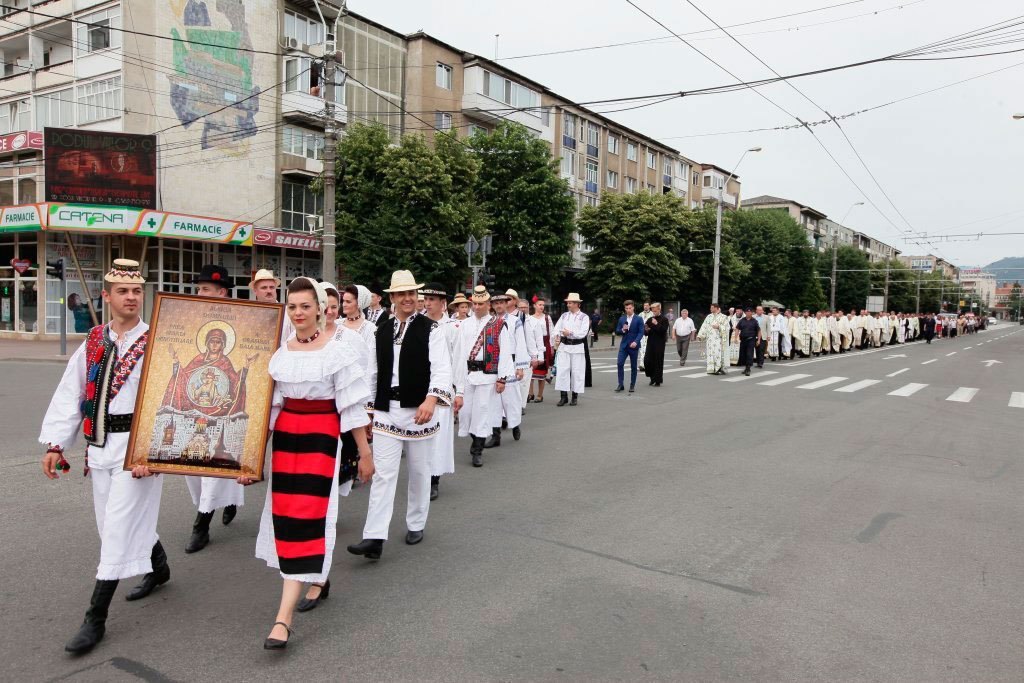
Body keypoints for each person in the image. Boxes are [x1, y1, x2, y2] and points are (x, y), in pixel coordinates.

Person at [39, 259, 167, 655]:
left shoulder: (157, 340)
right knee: (110, 522)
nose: (131, 298)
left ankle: (95, 617)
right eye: (123, 292)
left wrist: (153, 452)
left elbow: (168, 402)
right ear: (107, 296)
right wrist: (57, 443)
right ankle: (159, 566)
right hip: (100, 446)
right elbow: (70, 390)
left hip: (137, 450)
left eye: (136, 291)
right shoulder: (95, 340)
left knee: (116, 527)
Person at [248, 277, 373, 650]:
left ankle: (282, 619)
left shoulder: (337, 351)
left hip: (321, 439)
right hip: (286, 441)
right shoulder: (281, 353)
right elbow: (269, 411)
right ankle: (317, 576)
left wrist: (365, 454)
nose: (299, 313)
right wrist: (250, 460)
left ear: (320, 308)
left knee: (308, 517)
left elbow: (351, 408)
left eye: (306, 306)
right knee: (286, 518)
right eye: (293, 307)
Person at [348, 270, 451, 561]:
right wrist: (368, 410)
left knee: (419, 472)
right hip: (386, 412)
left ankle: (416, 522)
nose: (408, 298)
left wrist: (431, 400)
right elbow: (372, 372)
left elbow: (442, 369)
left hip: (419, 411)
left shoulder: (432, 329)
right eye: (402, 294)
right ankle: (374, 536)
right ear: (392, 297)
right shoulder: (380, 330)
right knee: (383, 475)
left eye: (412, 293)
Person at [181, 264, 245, 554]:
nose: (200, 294)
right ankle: (225, 501)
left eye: (205, 289)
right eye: (199, 289)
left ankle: (201, 525)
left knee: (212, 465)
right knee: (191, 464)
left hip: (220, 413)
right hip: (193, 411)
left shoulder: (241, 322)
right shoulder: (194, 320)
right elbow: (188, 369)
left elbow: (234, 377)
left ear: (222, 292)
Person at [453, 286, 514, 467]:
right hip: (468, 374)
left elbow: (505, 351)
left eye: (481, 304)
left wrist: (502, 378)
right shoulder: (465, 324)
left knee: (482, 412)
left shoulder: (498, 324)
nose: (477, 307)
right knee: (466, 414)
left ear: (489, 304)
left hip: (488, 376)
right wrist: (456, 379)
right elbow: (459, 353)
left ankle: (477, 450)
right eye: (475, 304)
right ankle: (475, 439)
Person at [420, 283, 457, 502]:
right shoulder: (419, 324)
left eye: (432, 300)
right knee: (422, 434)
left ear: (443, 304)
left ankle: (434, 479)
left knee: (438, 436)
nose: (428, 303)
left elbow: (457, 359)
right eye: (426, 299)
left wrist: (458, 390)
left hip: (443, 388)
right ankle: (422, 476)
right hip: (421, 386)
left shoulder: (451, 327)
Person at [486, 292, 527, 447]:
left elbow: (521, 343)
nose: (499, 306)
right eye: (495, 303)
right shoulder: (489, 321)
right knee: (494, 401)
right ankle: (496, 436)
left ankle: (515, 424)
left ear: (506, 304)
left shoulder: (515, 321)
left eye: (501, 303)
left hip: (510, 362)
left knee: (511, 400)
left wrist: (520, 367)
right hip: (493, 364)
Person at [553, 293, 592, 406]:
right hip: (564, 346)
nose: (568, 305)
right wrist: (557, 336)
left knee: (577, 371)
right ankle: (563, 396)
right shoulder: (564, 315)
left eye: (570, 303)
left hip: (577, 347)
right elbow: (557, 328)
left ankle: (575, 396)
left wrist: (570, 333)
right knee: (562, 371)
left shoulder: (584, 317)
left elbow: (583, 333)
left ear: (577, 304)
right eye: (568, 303)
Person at [615, 299, 645, 393]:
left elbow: (641, 332)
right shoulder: (622, 319)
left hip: (633, 346)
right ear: (625, 308)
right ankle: (621, 384)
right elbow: (617, 331)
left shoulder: (639, 319)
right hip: (624, 345)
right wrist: (623, 330)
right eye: (626, 308)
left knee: (633, 366)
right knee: (619, 363)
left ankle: (632, 385)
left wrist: (636, 342)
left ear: (633, 308)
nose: (628, 310)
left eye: (630, 308)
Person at [529, 298, 554, 403]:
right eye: (539, 304)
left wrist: (552, 347)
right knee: (530, 372)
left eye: (543, 305)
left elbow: (552, 333)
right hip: (532, 344)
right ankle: (530, 393)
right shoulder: (529, 318)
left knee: (542, 373)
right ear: (534, 305)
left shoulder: (547, 318)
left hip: (544, 344)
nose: (542, 307)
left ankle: (540, 395)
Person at [697, 303, 730, 375]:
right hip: (709, 340)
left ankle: (718, 369)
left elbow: (727, 328)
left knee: (717, 354)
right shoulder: (709, 316)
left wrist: (719, 327)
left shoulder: (724, 317)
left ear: (716, 308)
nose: (710, 309)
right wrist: (700, 335)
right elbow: (704, 326)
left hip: (719, 340)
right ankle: (711, 369)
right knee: (710, 354)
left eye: (712, 308)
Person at [643, 302, 668, 386]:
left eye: (655, 311)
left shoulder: (664, 319)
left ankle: (657, 380)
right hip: (650, 343)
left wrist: (656, 324)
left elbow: (663, 331)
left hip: (659, 344)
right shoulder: (650, 319)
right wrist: (646, 330)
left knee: (657, 362)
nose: (654, 313)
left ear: (659, 309)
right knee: (647, 360)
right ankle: (651, 377)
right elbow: (645, 332)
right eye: (653, 311)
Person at [736, 307, 761, 376]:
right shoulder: (742, 320)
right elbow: (737, 328)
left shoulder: (754, 321)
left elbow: (759, 331)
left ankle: (748, 369)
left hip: (751, 340)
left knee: (749, 354)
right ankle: (746, 367)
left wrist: (758, 340)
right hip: (743, 340)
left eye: (750, 312)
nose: (748, 313)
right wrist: (736, 338)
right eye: (747, 312)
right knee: (743, 354)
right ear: (745, 313)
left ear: (752, 313)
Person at [638, 302, 653, 370]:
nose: (645, 306)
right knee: (641, 349)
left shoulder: (652, 314)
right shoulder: (640, 314)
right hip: (641, 333)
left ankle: (646, 364)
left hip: (649, 334)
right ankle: (642, 364)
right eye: (644, 305)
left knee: (647, 349)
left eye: (647, 305)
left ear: (649, 306)